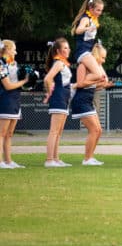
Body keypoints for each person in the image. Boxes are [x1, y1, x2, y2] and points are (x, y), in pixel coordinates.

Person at [72, 43, 114, 165]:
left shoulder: (97, 68)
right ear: (95, 56)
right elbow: (80, 84)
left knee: (98, 130)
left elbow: (93, 87)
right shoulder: (83, 66)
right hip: (81, 100)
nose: (104, 60)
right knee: (94, 130)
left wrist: (104, 85)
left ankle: (90, 157)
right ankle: (87, 159)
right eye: (102, 57)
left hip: (88, 99)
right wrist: (96, 80)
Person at [42, 38, 73, 167]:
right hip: (59, 98)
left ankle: (56, 158)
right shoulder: (59, 63)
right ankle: (49, 160)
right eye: (65, 48)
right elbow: (47, 78)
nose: (68, 50)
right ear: (58, 50)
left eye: (68, 47)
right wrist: (50, 93)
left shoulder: (63, 63)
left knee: (59, 132)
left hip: (64, 98)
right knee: (54, 131)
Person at [0, 40, 30, 169]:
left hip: (15, 99)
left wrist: (29, 80)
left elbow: (16, 83)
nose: (16, 52)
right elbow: (7, 85)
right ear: (6, 50)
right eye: (14, 49)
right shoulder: (1, 64)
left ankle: (8, 161)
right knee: (1, 133)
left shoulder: (13, 64)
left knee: (9, 134)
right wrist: (24, 81)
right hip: (5, 100)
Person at [71, 0, 107, 82]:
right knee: (98, 75)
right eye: (98, 10)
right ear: (90, 8)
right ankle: (79, 85)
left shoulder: (93, 19)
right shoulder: (86, 18)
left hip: (89, 51)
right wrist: (87, 28)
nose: (100, 13)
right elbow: (78, 30)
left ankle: (85, 85)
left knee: (104, 78)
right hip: (83, 51)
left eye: (101, 10)